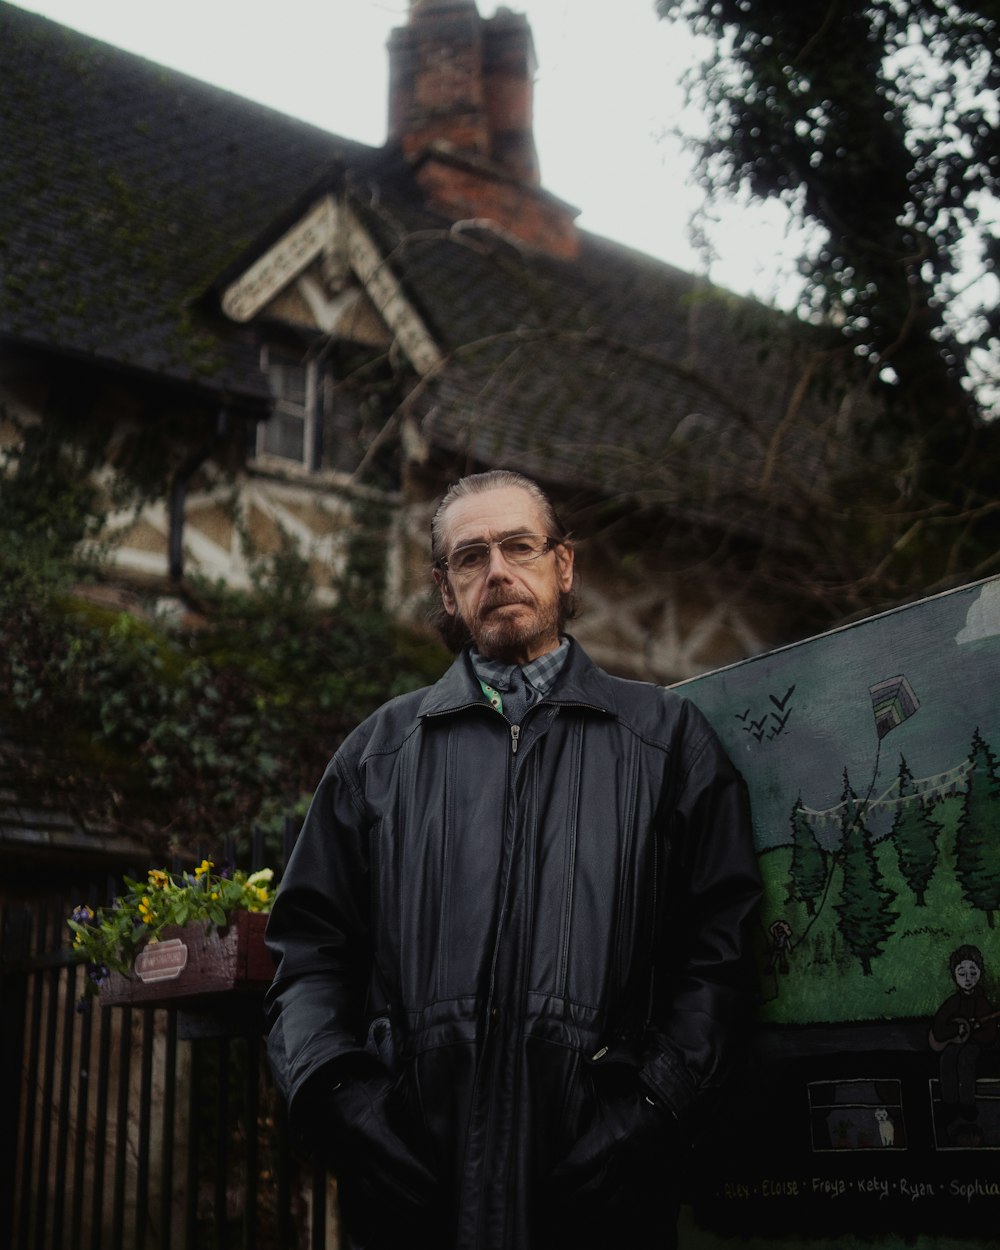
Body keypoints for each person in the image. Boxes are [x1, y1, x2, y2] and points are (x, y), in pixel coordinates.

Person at [264, 469, 762, 1250]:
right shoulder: (378, 754)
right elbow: (309, 951)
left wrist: (654, 1107)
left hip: (600, 1199)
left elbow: (722, 955)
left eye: (518, 546)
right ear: (446, 588)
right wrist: (341, 1101)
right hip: (412, 1196)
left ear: (563, 566)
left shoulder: (665, 741)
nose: (497, 570)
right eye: (470, 557)